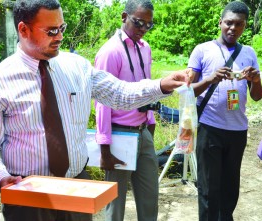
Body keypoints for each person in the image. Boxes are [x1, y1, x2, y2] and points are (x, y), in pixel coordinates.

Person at [0, 0, 192, 221]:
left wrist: (161, 84)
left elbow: (119, 93)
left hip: (76, 188)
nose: (60, 37)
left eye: (62, 28)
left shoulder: (77, 67)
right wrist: (1, 178)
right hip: (27, 196)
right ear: (23, 29)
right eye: (51, 30)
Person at [188, 1, 262, 220]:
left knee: (230, 188)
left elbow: (257, 96)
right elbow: (187, 90)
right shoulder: (202, 50)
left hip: (237, 131)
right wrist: (211, 79)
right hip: (209, 128)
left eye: (238, 24)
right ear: (220, 22)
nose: (233, 28)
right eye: (229, 23)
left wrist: (256, 80)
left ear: (245, 26)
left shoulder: (249, 53)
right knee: (209, 188)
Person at [94, 0, 158, 220]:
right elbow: (102, 101)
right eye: (138, 22)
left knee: (149, 197)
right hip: (119, 135)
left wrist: (151, 122)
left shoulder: (145, 48)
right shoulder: (110, 52)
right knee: (115, 202)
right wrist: (104, 147)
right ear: (124, 17)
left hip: (143, 131)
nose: (142, 29)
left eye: (148, 25)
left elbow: (147, 88)